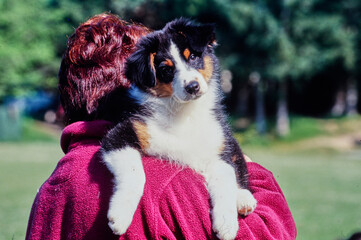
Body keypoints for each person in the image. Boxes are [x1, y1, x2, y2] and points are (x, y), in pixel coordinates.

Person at [26, 13, 297, 240]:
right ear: (134, 86)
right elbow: (271, 233)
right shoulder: (170, 181)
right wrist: (253, 171)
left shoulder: (51, 189)